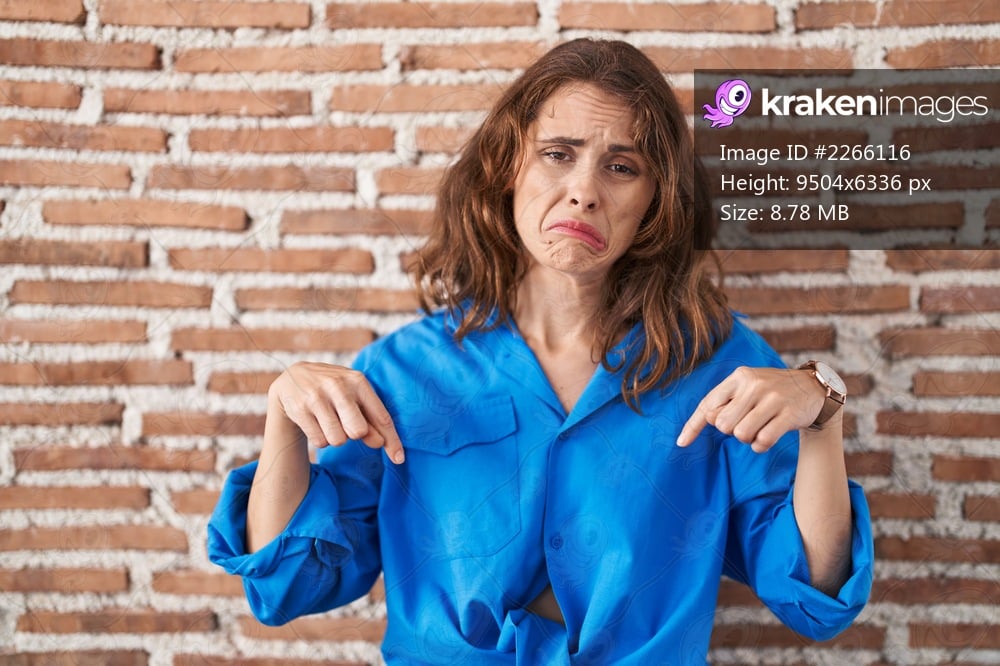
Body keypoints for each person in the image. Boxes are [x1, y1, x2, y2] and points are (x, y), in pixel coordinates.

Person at [208, 38, 873, 664]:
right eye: (559, 153)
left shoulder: (718, 361)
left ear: (655, 201)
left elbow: (814, 596)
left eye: (621, 166)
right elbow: (286, 585)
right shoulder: (402, 372)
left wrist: (823, 412)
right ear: (507, 169)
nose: (585, 189)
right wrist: (283, 423)